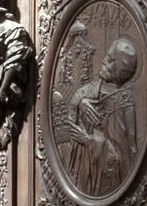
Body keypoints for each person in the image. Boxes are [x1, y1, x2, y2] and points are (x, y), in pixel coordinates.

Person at [60, 33, 141, 197]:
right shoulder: (88, 91)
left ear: (119, 69)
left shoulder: (123, 101)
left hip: (105, 184)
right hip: (81, 177)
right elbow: (68, 119)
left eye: (109, 59)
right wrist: (79, 102)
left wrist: (89, 141)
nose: (103, 60)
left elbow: (124, 156)